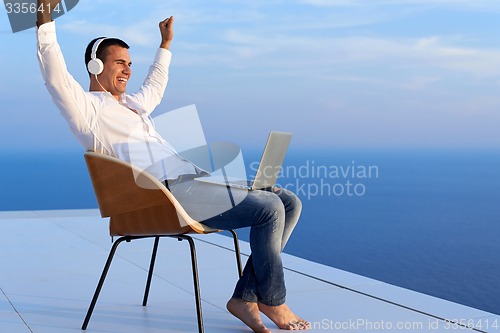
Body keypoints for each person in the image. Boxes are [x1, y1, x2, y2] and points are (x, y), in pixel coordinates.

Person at [36, 0, 309, 331]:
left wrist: (165, 44)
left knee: (288, 201)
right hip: (167, 196)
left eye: (130, 63)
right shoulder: (88, 111)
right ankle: (272, 300)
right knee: (268, 208)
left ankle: (247, 297)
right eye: (119, 63)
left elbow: (155, 85)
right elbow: (53, 74)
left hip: (194, 183)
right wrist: (43, 16)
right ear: (95, 67)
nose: (127, 70)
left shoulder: (134, 106)